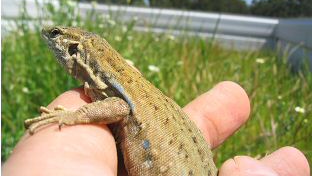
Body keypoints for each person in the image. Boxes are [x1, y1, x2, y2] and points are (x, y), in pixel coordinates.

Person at [3, 81, 310, 175]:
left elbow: (121, 107)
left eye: (56, 35)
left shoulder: (115, 93)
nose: (49, 37)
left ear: (74, 51)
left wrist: (68, 117)